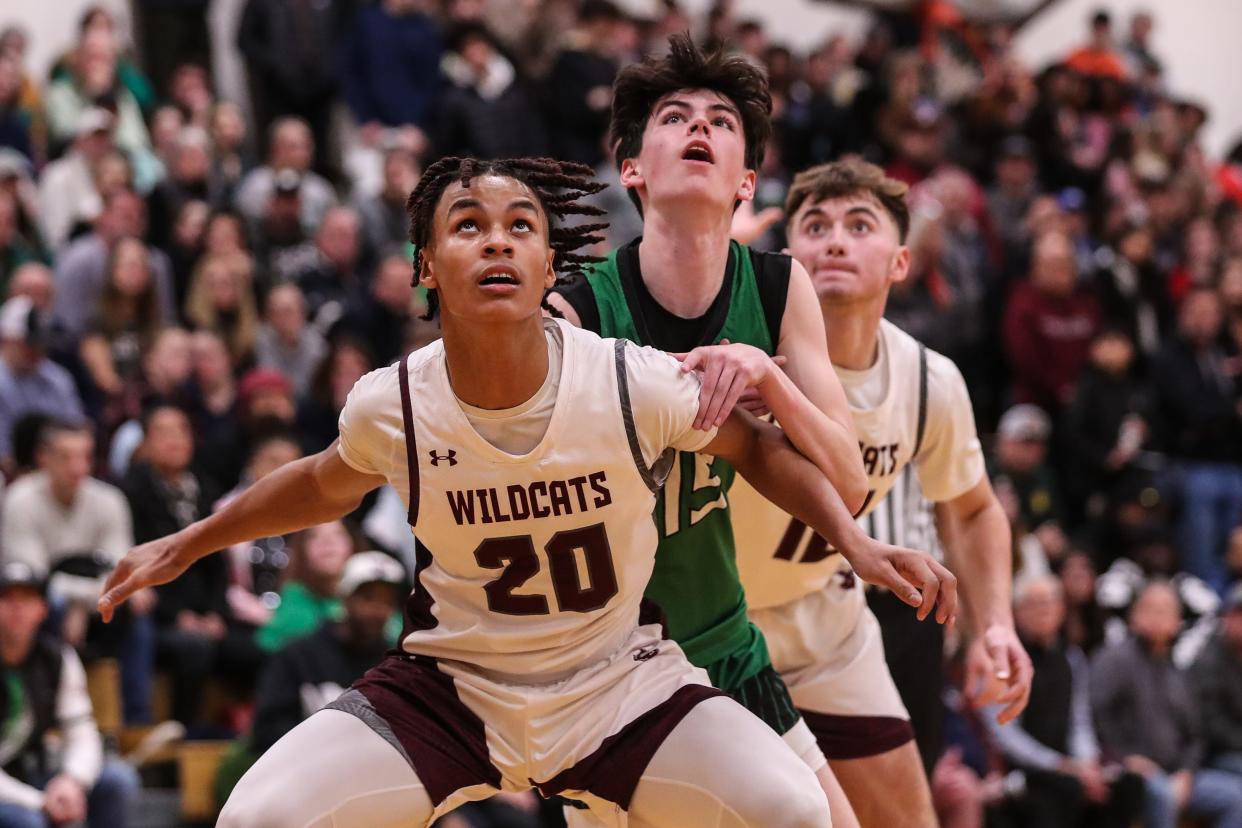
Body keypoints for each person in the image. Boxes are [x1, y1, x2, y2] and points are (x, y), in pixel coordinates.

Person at [99, 156, 955, 827]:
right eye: (468, 225)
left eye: (520, 226)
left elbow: (759, 453)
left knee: (793, 809)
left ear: (551, 262)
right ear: (426, 264)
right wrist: (187, 542)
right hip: (454, 688)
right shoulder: (393, 400)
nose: (498, 241)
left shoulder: (631, 380)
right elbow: (323, 482)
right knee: (258, 814)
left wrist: (858, 541)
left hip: (617, 683)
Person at [548, 35, 874, 824]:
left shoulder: (776, 284)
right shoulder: (577, 309)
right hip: (609, 666)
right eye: (675, 116)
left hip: (723, 640)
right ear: (632, 167)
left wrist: (768, 378)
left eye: (722, 121)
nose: (700, 126)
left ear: (746, 181)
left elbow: (852, 483)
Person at [729, 159, 1030, 827]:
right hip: (713, 622)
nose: (834, 240)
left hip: (828, 619)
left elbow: (975, 507)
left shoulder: (929, 379)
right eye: (816, 225)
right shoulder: (737, 346)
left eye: (858, 225)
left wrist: (997, 624)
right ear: (786, 257)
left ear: (900, 263)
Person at [0, 419, 154, 723]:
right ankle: (48, 715)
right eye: (66, 457)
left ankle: (138, 721)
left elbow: (121, 570)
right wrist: (91, 598)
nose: (78, 467)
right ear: (43, 457)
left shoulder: (109, 500)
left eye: (85, 457)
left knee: (138, 606)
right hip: (46, 603)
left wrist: (85, 604)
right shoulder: (21, 499)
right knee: (48, 605)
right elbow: (35, 581)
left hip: (96, 604)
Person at [984, 574, 1143, 828]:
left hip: (1069, 765)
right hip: (1024, 769)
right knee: (1065, 790)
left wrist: (1087, 764)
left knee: (1129, 786)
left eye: (1050, 602)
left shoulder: (1072, 658)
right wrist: (1058, 764)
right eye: (1034, 603)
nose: (1044, 610)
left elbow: (1079, 720)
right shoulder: (1002, 659)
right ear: (1016, 611)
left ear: (1062, 609)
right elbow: (1003, 733)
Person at [0, 560, 141, 828]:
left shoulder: (58, 659)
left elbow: (81, 731)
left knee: (118, 781)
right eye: (6, 599)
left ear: (42, 609)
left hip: (31, 773)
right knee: (30, 823)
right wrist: (39, 802)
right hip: (11, 792)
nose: (16, 608)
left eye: (26, 599)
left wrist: (72, 781)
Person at [1092, 581, 1242, 828]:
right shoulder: (1113, 660)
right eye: (1151, 608)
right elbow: (1098, 716)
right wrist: (1125, 757)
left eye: (1166, 610)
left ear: (1177, 621)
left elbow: (1195, 735)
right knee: (1162, 795)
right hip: (1130, 770)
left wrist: (1186, 771)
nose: (1158, 617)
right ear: (1134, 616)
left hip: (1176, 773)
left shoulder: (1177, 669)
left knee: (1235, 796)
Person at [0, 296, 84, 470]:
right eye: (29, 345)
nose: (37, 352)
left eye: (42, 344)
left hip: (58, 471)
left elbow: (77, 432)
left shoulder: (58, 379)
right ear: (7, 339)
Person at [256, 520, 357, 652]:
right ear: (302, 550)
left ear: (353, 544)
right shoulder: (294, 597)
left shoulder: (372, 595)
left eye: (338, 534)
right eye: (314, 536)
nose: (327, 542)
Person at [1191, 583, 1242, 778]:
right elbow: (1212, 726)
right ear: (1226, 617)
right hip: (1215, 754)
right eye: (1238, 614)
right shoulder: (1208, 660)